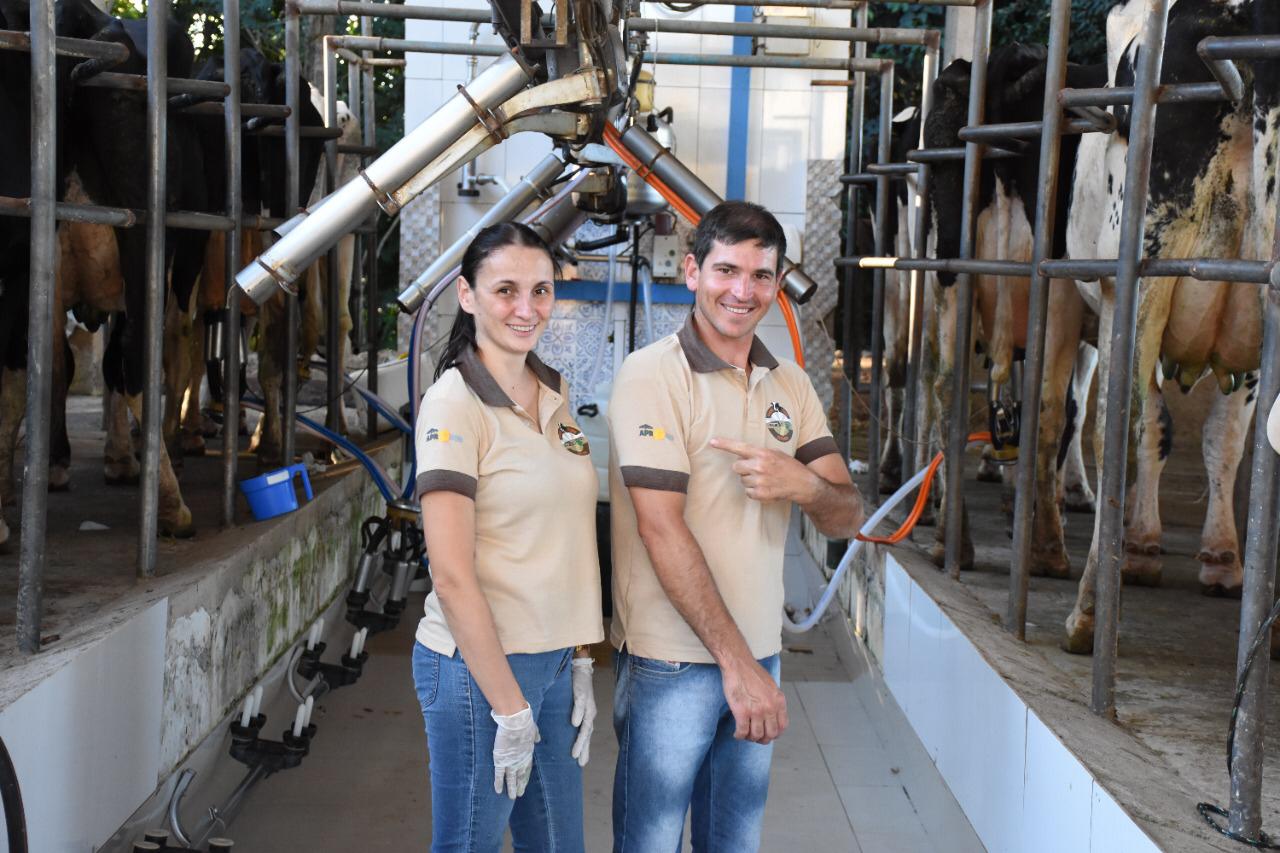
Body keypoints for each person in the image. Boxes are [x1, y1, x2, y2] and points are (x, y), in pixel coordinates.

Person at [607, 201, 864, 852]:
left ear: (778, 286)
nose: (742, 291)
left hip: (758, 652)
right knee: (651, 839)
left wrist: (802, 483)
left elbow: (846, 514)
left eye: (760, 275)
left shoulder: (791, 385)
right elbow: (661, 529)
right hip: (671, 661)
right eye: (726, 270)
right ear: (692, 271)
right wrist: (738, 664)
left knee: (733, 840)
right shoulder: (651, 376)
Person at [411, 222, 603, 853]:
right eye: (506, 290)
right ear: (467, 296)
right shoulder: (454, 405)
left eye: (541, 290)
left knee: (558, 846)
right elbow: (450, 574)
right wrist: (507, 706)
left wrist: (577, 654)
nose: (527, 309)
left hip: (548, 661)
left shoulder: (553, 388)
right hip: (479, 671)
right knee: (468, 844)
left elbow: (566, 532)